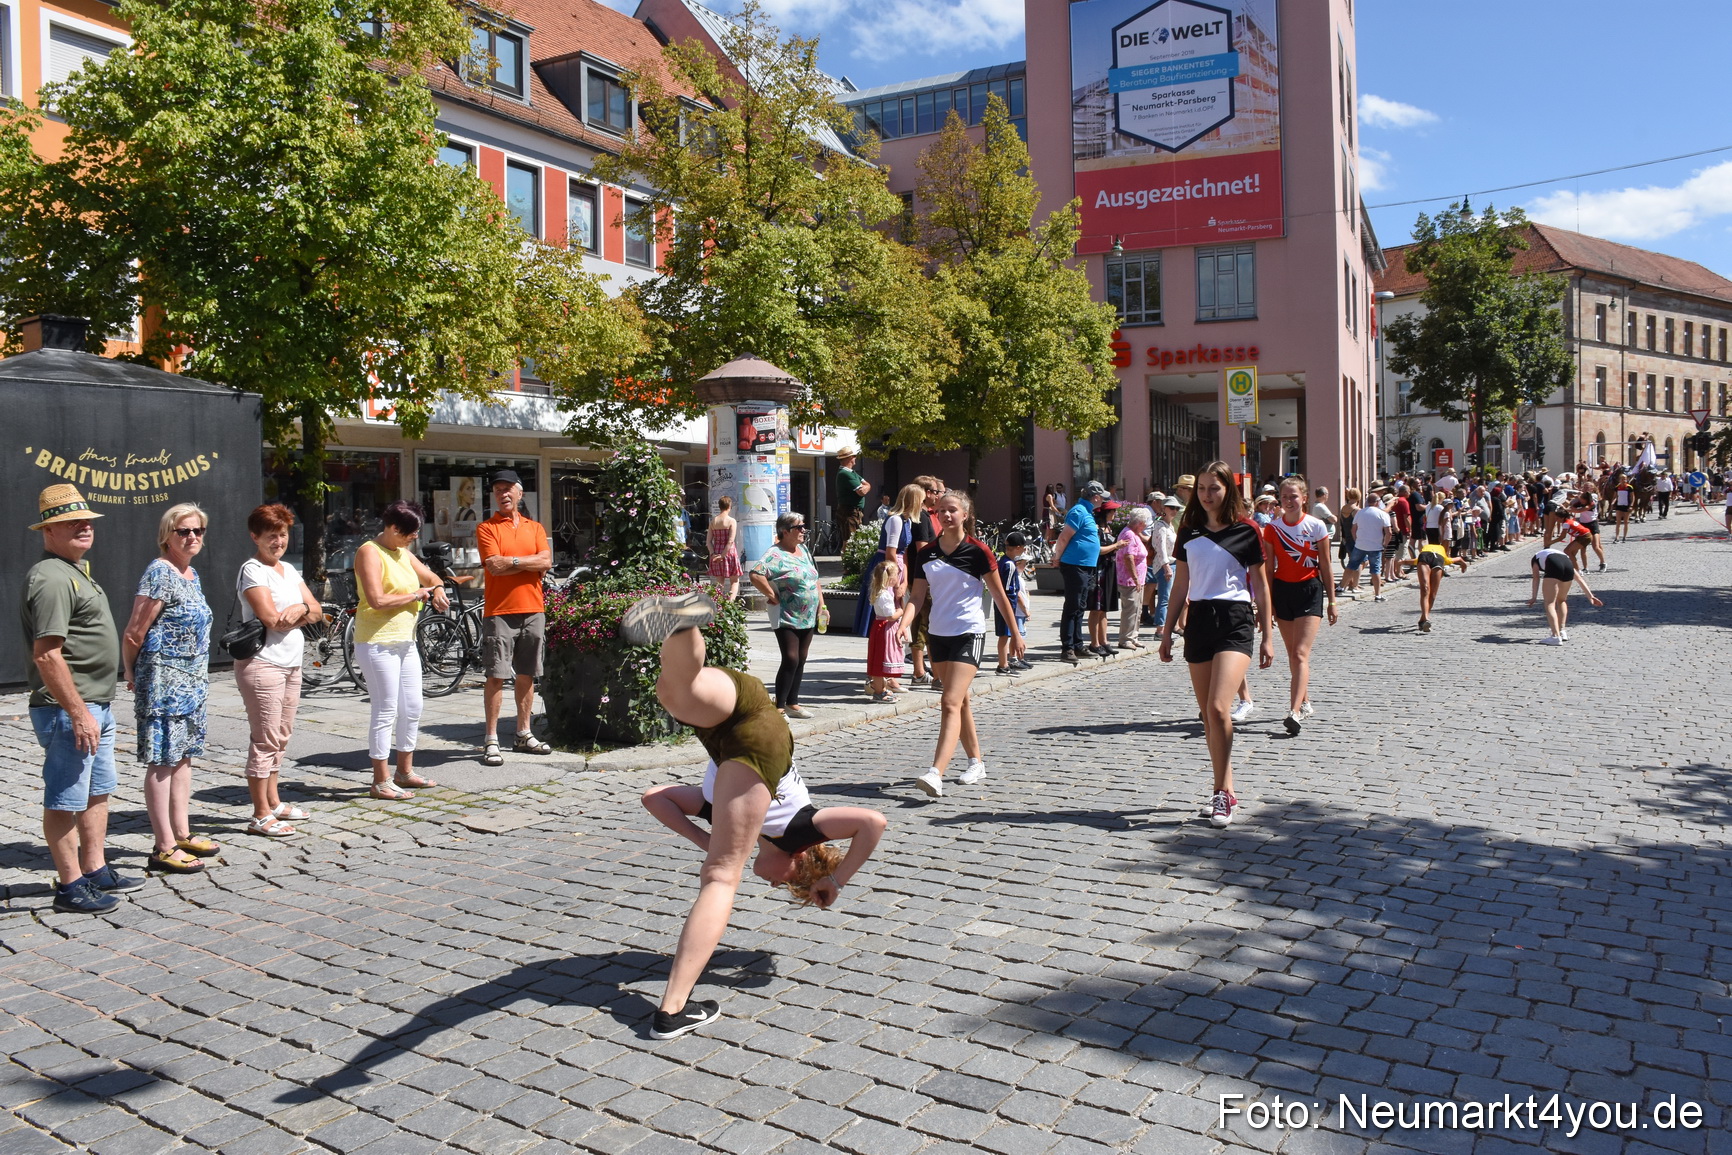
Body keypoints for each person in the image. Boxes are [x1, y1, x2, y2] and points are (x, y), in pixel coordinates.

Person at [622, 592, 886, 1039]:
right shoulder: (797, 830)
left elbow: (655, 799)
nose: (772, 884)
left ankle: (680, 623)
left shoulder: (730, 817)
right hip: (760, 730)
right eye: (787, 882)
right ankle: (672, 1011)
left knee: (676, 692)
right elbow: (872, 822)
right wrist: (835, 881)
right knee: (721, 879)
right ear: (800, 861)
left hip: (734, 723)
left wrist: (708, 842)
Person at [22, 485, 144, 913]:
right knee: (65, 797)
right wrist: (77, 712)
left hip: (95, 704)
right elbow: (47, 654)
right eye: (71, 522)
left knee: (97, 791)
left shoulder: (72, 570)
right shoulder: (51, 577)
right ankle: (70, 886)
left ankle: (94, 869)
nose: (84, 527)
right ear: (49, 530)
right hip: (69, 709)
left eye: (87, 520)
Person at [1158, 461, 1273, 828]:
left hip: (1235, 619)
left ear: (1228, 491)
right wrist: (1166, 632)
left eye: (1214, 488)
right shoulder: (1188, 531)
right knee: (1208, 715)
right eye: (1202, 488)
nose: (1207, 495)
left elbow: (1261, 584)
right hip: (1199, 620)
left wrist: (1268, 635)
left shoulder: (1247, 530)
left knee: (1219, 707)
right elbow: (1181, 584)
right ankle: (1226, 787)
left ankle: (1222, 792)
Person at [898, 492, 1025, 798]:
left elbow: (999, 595)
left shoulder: (978, 551)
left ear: (965, 515)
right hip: (938, 635)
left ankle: (936, 772)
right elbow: (917, 596)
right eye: (941, 510)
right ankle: (976, 762)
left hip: (969, 632)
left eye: (952, 510)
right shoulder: (927, 553)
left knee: (949, 702)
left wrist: (1015, 633)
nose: (946, 515)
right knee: (961, 701)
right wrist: (903, 622)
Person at [121, 503, 216, 876]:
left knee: (184, 757)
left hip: (192, 681)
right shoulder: (160, 573)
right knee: (162, 759)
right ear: (167, 535)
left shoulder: (191, 573)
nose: (192, 537)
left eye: (197, 531)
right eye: (183, 531)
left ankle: (181, 832)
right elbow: (134, 631)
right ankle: (163, 846)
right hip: (163, 681)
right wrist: (131, 672)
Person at [235, 504, 323, 838]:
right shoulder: (253, 570)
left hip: (291, 662)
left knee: (282, 736)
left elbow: (316, 611)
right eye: (271, 536)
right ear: (254, 537)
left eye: (283, 534)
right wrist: (301, 613)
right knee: (265, 739)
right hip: (263, 663)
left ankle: (274, 801)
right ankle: (259, 814)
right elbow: (272, 619)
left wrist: (299, 608)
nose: (278, 542)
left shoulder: (288, 569)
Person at [353, 501, 448, 799]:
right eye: (411, 533)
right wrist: (415, 595)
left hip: (405, 641)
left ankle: (404, 772)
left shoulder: (403, 552)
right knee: (386, 710)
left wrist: (437, 589)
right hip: (377, 641)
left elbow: (431, 578)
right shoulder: (369, 551)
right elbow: (377, 600)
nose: (415, 538)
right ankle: (380, 781)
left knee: (413, 707)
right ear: (394, 528)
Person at [474, 470, 553, 766]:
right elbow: (494, 566)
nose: (503, 494)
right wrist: (529, 564)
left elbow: (547, 560)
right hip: (500, 611)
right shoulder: (487, 528)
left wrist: (512, 562)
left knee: (527, 673)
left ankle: (523, 733)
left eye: (508, 489)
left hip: (533, 608)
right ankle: (491, 739)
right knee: (496, 675)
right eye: (498, 490)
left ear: (520, 493)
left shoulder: (535, 527)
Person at [1261, 477, 1336, 735]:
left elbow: (1325, 564)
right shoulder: (1272, 529)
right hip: (1283, 592)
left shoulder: (1316, 526)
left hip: (1310, 591)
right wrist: (1267, 603)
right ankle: (1305, 701)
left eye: (1293, 496)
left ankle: (1293, 712)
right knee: (1293, 653)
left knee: (1300, 653)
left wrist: (1332, 600)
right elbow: (1268, 569)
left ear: (1304, 498)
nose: (1289, 501)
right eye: (1284, 497)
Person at [749, 512, 825, 720]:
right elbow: (755, 574)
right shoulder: (775, 554)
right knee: (791, 658)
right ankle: (779, 707)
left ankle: (793, 703)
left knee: (801, 657)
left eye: (803, 526)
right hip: (787, 614)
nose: (803, 531)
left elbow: (815, 578)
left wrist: (822, 604)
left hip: (808, 614)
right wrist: (771, 595)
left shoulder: (803, 549)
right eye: (799, 527)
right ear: (785, 531)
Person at [852, 483, 922, 638]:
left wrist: (904, 581)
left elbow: (904, 553)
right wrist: (896, 583)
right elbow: (891, 552)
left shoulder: (907, 521)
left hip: (897, 567)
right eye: (921, 501)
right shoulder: (895, 520)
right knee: (887, 607)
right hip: (888, 568)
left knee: (897, 606)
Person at [1053, 481, 1110, 664]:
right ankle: (1067, 648)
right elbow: (1064, 537)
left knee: (1080, 607)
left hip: (1085, 565)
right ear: (1095, 497)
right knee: (1073, 606)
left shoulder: (1086, 511)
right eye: (1102, 497)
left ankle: (1077, 645)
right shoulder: (1078, 511)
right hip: (1074, 565)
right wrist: (1056, 557)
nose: (1103, 501)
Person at [1529, 547, 1603, 644]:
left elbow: (1536, 578)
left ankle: (1555, 636)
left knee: (1549, 603)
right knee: (1561, 600)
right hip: (1568, 565)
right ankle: (1562, 631)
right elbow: (1578, 578)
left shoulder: (1535, 558)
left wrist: (1534, 597)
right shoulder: (1560, 555)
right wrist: (1590, 596)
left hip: (1554, 565)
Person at [1391, 540, 1467, 633]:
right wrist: (1464, 565)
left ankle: (1423, 619)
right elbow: (1459, 559)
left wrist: (1400, 563)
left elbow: (1459, 559)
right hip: (1426, 557)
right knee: (1426, 589)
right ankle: (1426, 619)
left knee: (1431, 593)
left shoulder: (1445, 557)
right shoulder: (1443, 555)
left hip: (1437, 559)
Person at [865, 560, 905, 702]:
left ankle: (881, 689)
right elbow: (890, 616)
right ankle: (879, 692)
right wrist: (901, 611)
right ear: (890, 578)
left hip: (881, 627)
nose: (898, 578)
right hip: (884, 629)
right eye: (896, 575)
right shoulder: (885, 595)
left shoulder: (880, 592)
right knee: (880, 660)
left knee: (880, 659)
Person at [994, 533, 1031, 674]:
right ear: (1018, 547)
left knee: (1006, 634)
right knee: (1004, 635)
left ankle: (1008, 661)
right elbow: (1009, 588)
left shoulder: (1004, 561)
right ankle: (1003, 665)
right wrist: (1012, 605)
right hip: (1007, 604)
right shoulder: (1009, 565)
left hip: (1004, 603)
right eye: (1023, 547)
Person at [1344, 495, 1393, 602]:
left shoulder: (1360, 512)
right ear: (1377, 502)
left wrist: (1356, 540)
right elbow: (1389, 532)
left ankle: (1341, 587)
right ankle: (1378, 595)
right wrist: (1385, 544)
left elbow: (1353, 529)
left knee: (1351, 565)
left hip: (1360, 544)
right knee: (1375, 570)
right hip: (1375, 546)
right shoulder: (1383, 514)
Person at [1115, 507, 1151, 649]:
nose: (1146, 526)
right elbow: (1128, 557)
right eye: (1145, 523)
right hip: (1129, 580)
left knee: (1137, 609)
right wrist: (1135, 578)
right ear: (1140, 523)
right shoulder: (1128, 534)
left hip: (1137, 580)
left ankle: (1133, 636)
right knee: (1130, 609)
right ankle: (1125, 639)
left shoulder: (1134, 534)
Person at [1148, 497, 1180, 631]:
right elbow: (1160, 549)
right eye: (1171, 507)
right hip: (1164, 565)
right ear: (1164, 508)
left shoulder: (1170, 526)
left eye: (1177, 508)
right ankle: (1160, 629)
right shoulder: (1160, 526)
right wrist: (1166, 567)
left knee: (1171, 597)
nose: (1175, 511)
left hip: (1173, 563)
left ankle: (1169, 626)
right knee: (1164, 597)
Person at [706, 495, 743, 602]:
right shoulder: (731, 521)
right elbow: (730, 541)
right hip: (729, 553)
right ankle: (730, 604)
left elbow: (708, 542)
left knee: (719, 582)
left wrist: (713, 554)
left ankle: (719, 604)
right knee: (734, 581)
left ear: (719, 506)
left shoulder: (713, 521)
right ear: (729, 506)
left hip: (716, 552)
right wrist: (723, 555)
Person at [835, 447, 870, 540]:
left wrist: (866, 487)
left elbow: (868, 484)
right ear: (849, 458)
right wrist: (865, 487)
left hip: (854, 512)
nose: (855, 458)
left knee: (853, 541)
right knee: (849, 541)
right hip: (849, 512)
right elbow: (861, 492)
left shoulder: (851, 473)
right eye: (854, 456)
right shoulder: (845, 473)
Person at [1613, 475, 1634, 542]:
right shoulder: (1617, 487)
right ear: (1619, 480)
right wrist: (1613, 502)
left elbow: (1632, 497)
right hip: (1619, 505)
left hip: (1627, 506)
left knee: (1626, 522)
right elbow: (1615, 496)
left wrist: (1631, 505)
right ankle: (1617, 537)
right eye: (1622, 479)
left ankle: (1624, 536)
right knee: (1618, 522)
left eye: (1625, 479)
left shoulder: (1629, 487)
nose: (1623, 480)